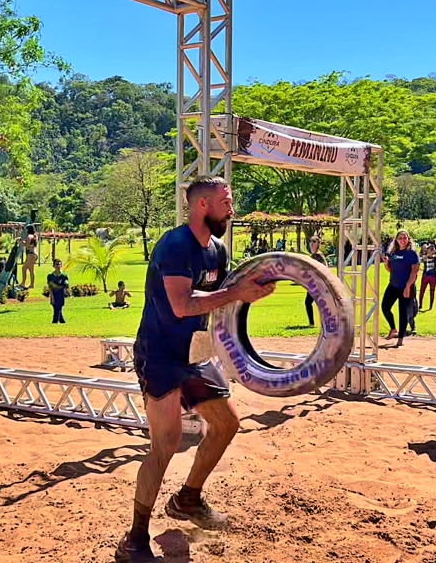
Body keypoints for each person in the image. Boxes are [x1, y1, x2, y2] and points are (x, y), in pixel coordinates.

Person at [116, 177, 274, 562]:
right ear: (203, 206)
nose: (232, 209)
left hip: (194, 355)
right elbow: (182, 305)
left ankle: (188, 498)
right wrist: (237, 293)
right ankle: (135, 539)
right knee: (166, 445)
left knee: (227, 423)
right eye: (226, 202)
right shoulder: (174, 246)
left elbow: (222, 296)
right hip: (161, 356)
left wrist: (255, 284)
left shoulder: (217, 250)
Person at [382, 230, 419, 347]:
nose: (402, 240)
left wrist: (408, 287)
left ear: (408, 239)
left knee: (403, 312)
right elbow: (391, 270)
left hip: (406, 286)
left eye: (405, 238)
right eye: (400, 238)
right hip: (393, 285)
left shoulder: (412, 254)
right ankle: (393, 329)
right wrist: (386, 263)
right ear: (396, 240)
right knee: (385, 307)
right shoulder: (394, 253)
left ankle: (401, 338)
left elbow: (414, 272)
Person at [304, 237, 328, 326]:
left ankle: (314, 323)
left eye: (313, 241)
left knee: (315, 303)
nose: (311, 243)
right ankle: (312, 323)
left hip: (318, 284)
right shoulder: (312, 255)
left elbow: (324, 269)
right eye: (310, 241)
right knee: (309, 302)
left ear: (318, 244)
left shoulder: (318, 255)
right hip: (313, 284)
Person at [419, 244, 436, 311]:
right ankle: (420, 305)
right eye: (429, 249)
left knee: (432, 291)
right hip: (425, 276)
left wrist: (435, 251)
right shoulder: (426, 257)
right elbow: (423, 259)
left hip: (433, 276)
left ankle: (431, 306)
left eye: (432, 249)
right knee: (422, 290)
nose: (431, 250)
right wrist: (428, 253)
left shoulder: (435, 258)